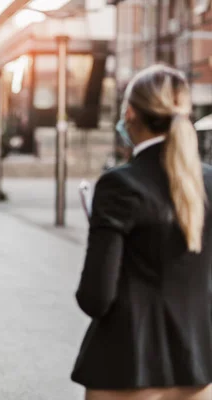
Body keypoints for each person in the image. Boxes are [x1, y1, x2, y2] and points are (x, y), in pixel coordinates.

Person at [71, 64, 212, 400]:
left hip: (127, 364)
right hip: (199, 365)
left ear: (130, 113)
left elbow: (96, 297)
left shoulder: (120, 184)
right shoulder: (209, 180)